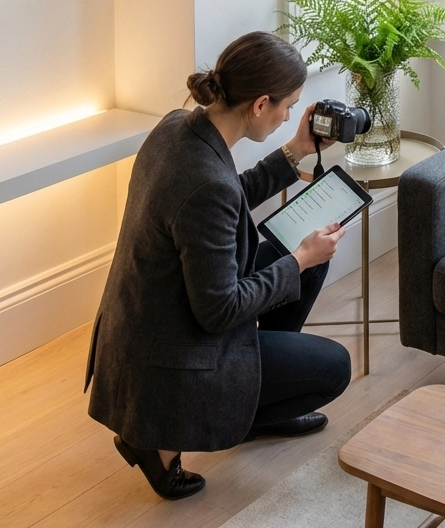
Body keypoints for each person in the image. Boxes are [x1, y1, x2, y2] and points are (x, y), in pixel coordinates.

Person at [84, 31, 352, 500]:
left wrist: (297, 151)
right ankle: (163, 443)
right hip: (168, 355)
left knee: (306, 263)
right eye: (287, 106)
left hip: (146, 322)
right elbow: (219, 310)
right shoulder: (207, 182)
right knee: (334, 367)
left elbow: (224, 198)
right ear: (260, 103)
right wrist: (298, 258)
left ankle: (251, 398)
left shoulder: (178, 127)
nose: (290, 115)